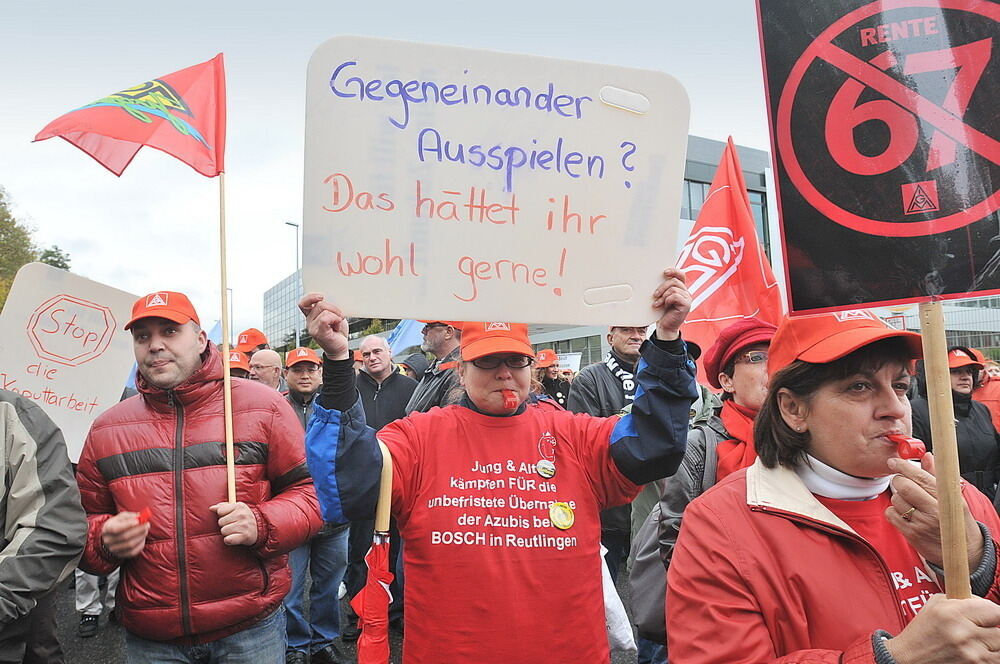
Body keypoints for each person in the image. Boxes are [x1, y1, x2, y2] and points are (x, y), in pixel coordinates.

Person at [301, 267, 698, 663]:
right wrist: (336, 361)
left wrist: (666, 339)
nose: (505, 372)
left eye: (516, 360)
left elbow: (654, 446)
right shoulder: (418, 437)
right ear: (461, 370)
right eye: (488, 360)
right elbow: (346, 487)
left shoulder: (573, 434)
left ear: (530, 368)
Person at [667, 310, 1000, 664]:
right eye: (859, 387)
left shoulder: (957, 496)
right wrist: (893, 658)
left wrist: (977, 560)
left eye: (900, 386)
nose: (894, 408)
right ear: (794, 409)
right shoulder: (720, 525)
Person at [75, 290, 323, 663]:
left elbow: (312, 494)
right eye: (143, 336)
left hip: (249, 631)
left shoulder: (263, 406)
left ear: (202, 339)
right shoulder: (107, 428)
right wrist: (102, 539)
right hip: (152, 638)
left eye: (169, 331)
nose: (155, 345)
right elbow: (79, 524)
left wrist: (263, 523)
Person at [0, 390, 86, 663]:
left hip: (15, 619)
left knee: (41, 642)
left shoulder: (13, 416)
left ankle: (91, 613)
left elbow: (56, 528)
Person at [281, 346, 349, 664]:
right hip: (292, 512)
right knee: (290, 588)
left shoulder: (337, 405)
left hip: (334, 514)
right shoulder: (276, 408)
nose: (305, 375)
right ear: (286, 374)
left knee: (328, 587)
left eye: (311, 369)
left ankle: (323, 642)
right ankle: (295, 645)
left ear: (321, 372)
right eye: (298, 369)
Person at [347, 336, 418, 639]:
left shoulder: (411, 389)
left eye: (377, 351)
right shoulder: (352, 390)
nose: (372, 357)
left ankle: (396, 612)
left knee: (398, 552)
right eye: (366, 354)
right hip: (362, 482)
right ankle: (358, 614)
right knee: (360, 551)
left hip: (400, 481)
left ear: (390, 352)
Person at [567, 324, 648, 582]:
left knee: (649, 590)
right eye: (627, 330)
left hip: (650, 506)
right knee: (607, 590)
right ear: (610, 337)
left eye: (642, 330)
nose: (636, 336)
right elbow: (583, 443)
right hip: (609, 511)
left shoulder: (655, 376)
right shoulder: (589, 379)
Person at [911, 347, 1000, 500]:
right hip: (947, 500)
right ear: (936, 375)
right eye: (955, 371)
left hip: (987, 499)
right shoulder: (918, 410)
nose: (965, 377)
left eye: (969, 371)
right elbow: (915, 465)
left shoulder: (981, 409)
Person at [405, 320, 462, 414]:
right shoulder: (435, 368)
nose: (423, 331)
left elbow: (448, 419)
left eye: (428, 327)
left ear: (448, 332)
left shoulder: (458, 373)